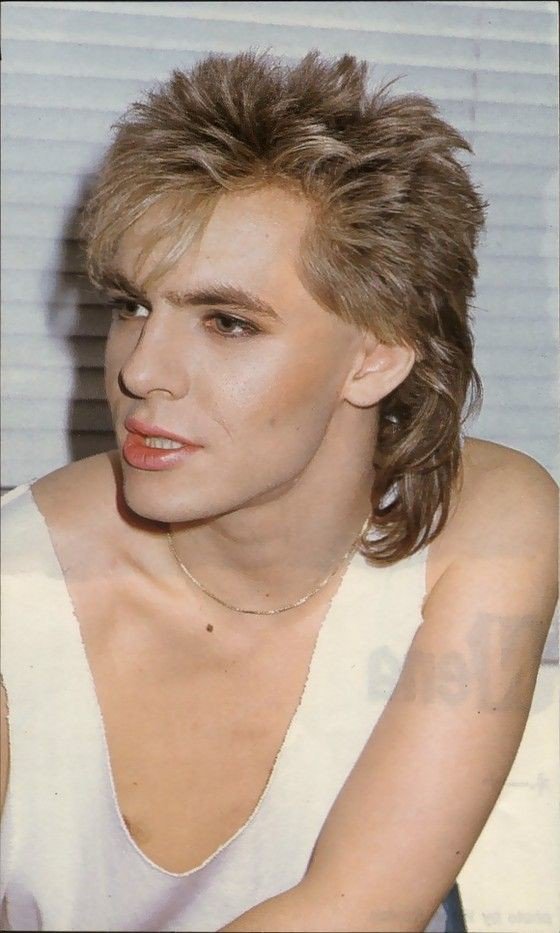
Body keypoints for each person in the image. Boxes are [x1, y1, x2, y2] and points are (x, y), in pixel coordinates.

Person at [0, 49, 557, 933]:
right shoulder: (16, 592)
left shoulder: (490, 522)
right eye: (133, 306)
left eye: (226, 322)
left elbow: (364, 910)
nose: (141, 371)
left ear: (377, 355)